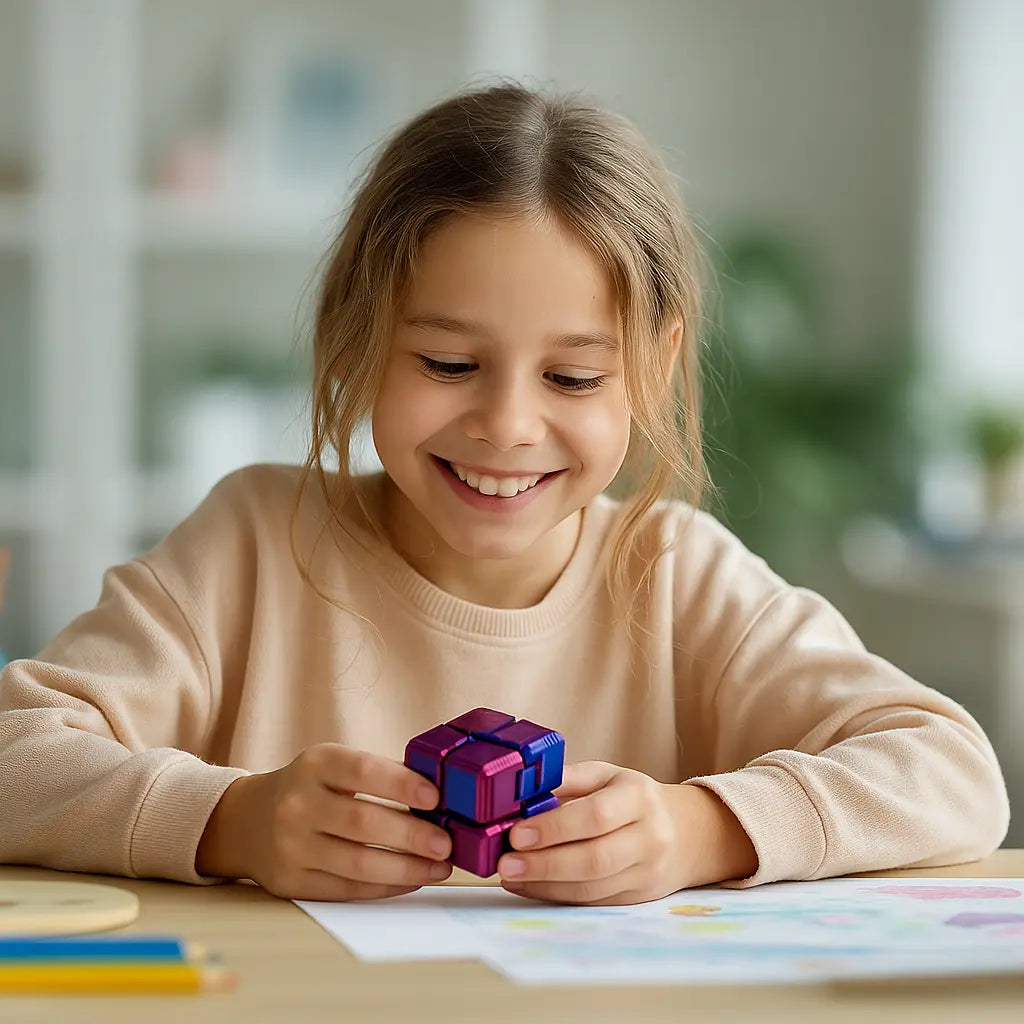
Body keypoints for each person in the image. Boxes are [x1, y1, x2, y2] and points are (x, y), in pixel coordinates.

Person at [0, 83, 1009, 907]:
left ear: (651, 371)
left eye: (571, 378)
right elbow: (16, 756)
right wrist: (233, 821)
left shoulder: (677, 575)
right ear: (359, 339)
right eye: (446, 361)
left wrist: (699, 828)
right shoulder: (252, 543)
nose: (507, 425)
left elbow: (954, 773)